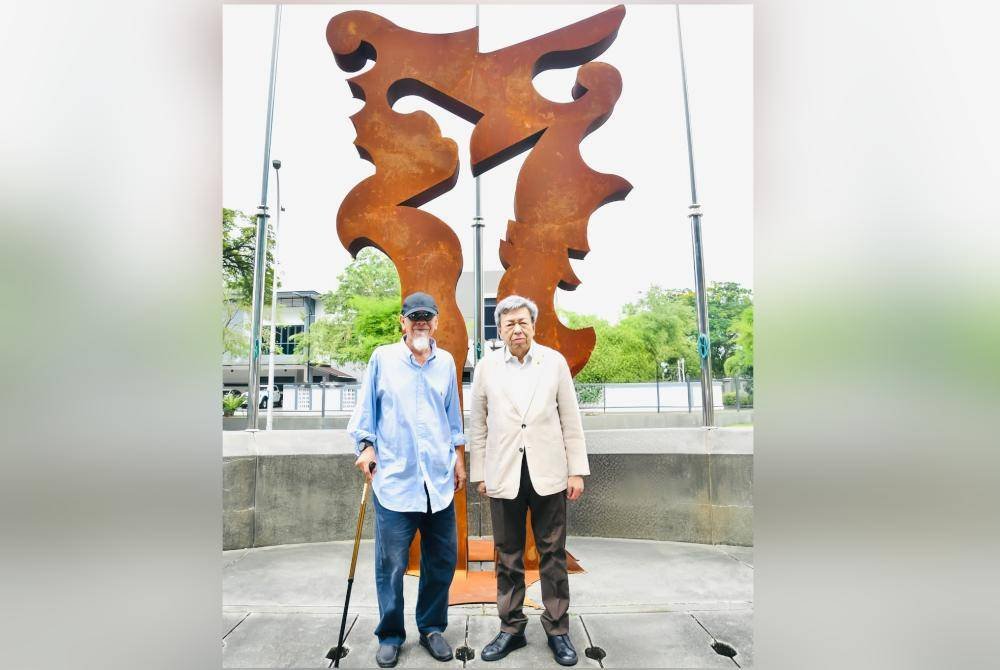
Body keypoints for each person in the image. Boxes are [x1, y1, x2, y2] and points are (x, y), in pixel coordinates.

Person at [347, 291, 468, 668]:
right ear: (403, 321)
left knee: (443, 560)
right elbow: (365, 413)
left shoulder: (446, 362)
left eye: (426, 316)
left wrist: (459, 457)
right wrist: (365, 447)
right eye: (413, 315)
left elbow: (452, 418)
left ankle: (431, 626)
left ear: (435, 322)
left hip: (438, 484)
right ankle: (390, 634)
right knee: (392, 565)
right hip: (396, 484)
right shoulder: (383, 359)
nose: (420, 321)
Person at [467, 295, 588, 666]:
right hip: (503, 473)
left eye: (523, 322)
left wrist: (576, 470)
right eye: (509, 324)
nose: (516, 329)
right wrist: (480, 473)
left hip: (549, 473)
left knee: (552, 554)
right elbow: (478, 425)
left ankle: (557, 629)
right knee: (507, 555)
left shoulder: (553, 363)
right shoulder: (487, 368)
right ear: (499, 330)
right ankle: (511, 628)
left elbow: (570, 418)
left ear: (533, 326)